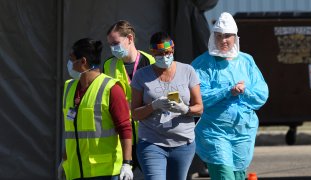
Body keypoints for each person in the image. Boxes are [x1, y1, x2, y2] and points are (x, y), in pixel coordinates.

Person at [191, 12, 269, 180]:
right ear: (213, 37)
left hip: (243, 131)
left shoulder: (246, 61)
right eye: (219, 36)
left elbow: (261, 93)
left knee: (238, 175)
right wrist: (227, 91)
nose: (223, 40)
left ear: (235, 37)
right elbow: (197, 96)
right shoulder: (203, 64)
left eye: (227, 36)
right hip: (215, 131)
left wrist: (245, 90)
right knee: (224, 175)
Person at [130, 32, 203, 180]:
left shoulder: (187, 71)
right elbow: (135, 114)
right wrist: (153, 105)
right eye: (160, 53)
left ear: (173, 50)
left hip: (183, 143)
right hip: (151, 142)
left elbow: (199, 108)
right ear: (152, 52)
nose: (165, 57)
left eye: (168, 52)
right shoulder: (141, 75)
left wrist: (185, 109)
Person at [59, 38, 133, 180]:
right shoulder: (69, 87)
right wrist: (64, 159)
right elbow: (71, 131)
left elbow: (125, 127)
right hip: (75, 170)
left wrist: (127, 163)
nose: (69, 64)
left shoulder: (111, 88)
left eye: (71, 59)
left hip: (103, 172)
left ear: (83, 61)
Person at [103, 20, 155, 170]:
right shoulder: (109, 64)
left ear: (130, 38)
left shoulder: (150, 61)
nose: (113, 48)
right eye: (110, 44)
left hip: (148, 135)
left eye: (116, 43)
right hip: (122, 137)